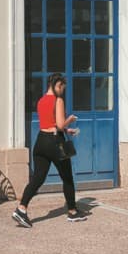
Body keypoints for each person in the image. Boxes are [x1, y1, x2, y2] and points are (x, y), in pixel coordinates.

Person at [13, 73, 86, 226]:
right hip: (55, 142)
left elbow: (49, 123)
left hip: (41, 141)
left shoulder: (41, 101)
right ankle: (72, 211)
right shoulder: (58, 100)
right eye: (62, 88)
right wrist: (69, 121)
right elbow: (59, 125)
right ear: (57, 85)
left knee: (38, 178)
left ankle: (21, 208)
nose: (62, 92)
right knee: (67, 177)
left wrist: (66, 131)